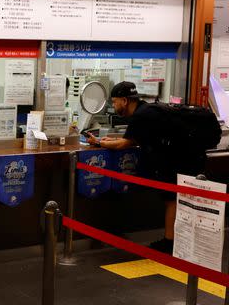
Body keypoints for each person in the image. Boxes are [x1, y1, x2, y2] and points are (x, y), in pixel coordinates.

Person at [86, 81, 207, 253]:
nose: (114, 105)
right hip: (187, 156)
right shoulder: (146, 109)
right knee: (175, 200)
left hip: (180, 160)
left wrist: (98, 143)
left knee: (172, 201)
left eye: (115, 101)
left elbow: (124, 144)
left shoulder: (140, 116)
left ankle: (170, 243)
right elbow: (134, 139)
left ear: (125, 101)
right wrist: (108, 141)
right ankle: (177, 241)